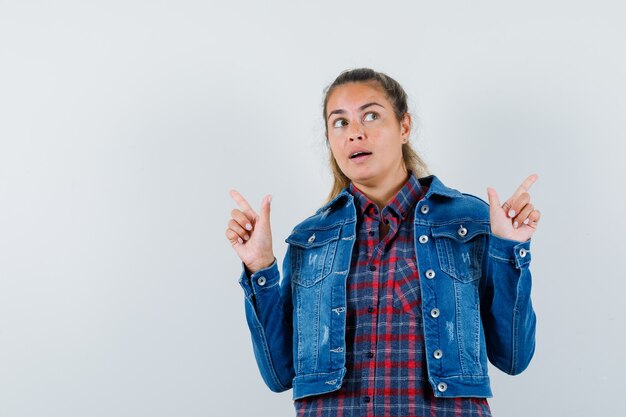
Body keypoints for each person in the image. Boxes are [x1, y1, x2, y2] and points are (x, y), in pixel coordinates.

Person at [225, 68, 541, 417]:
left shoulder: (468, 222)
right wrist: (260, 267)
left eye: (371, 116)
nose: (355, 134)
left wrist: (509, 248)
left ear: (404, 127)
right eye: (340, 123)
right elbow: (279, 374)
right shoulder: (310, 240)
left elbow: (513, 357)